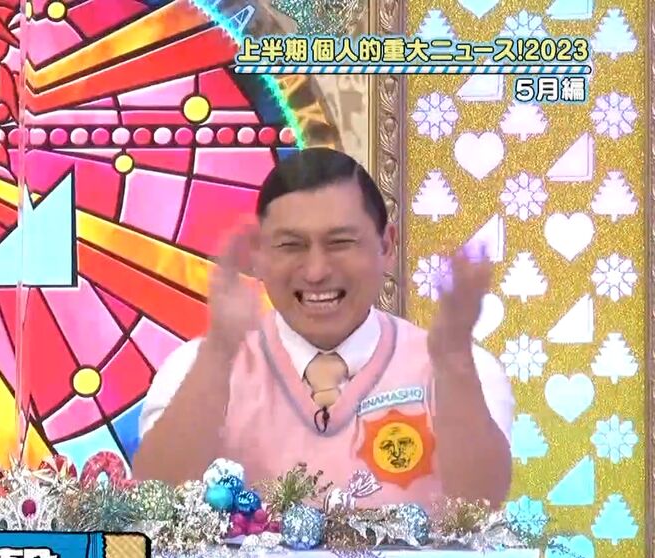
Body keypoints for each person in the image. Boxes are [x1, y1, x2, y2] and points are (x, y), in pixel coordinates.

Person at [134, 148, 513, 506]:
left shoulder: (465, 368)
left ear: (386, 246)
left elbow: (483, 503)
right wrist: (218, 353)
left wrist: (453, 360)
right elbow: (156, 500)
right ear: (258, 256)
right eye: (291, 245)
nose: (316, 271)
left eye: (340, 243)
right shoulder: (194, 367)